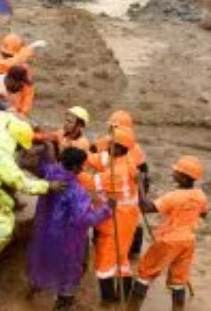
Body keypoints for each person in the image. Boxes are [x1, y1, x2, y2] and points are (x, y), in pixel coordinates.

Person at [0, 118, 63, 271]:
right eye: (21, 146)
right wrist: (48, 186)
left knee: (7, 202)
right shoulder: (4, 160)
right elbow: (23, 184)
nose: (21, 150)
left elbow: (5, 115)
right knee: (5, 224)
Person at [27, 147, 112, 310]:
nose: (82, 168)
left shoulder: (50, 173)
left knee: (41, 260)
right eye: (81, 166)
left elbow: (41, 163)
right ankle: (63, 303)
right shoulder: (77, 192)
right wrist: (106, 209)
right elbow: (85, 219)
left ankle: (34, 289)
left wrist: (47, 148)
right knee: (70, 271)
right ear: (75, 167)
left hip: (44, 232)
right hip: (67, 239)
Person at [133, 156, 209, 311]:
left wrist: (139, 183)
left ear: (184, 176)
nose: (173, 172)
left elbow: (146, 207)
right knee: (178, 281)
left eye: (176, 171)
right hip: (188, 241)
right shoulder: (201, 196)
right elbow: (203, 214)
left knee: (144, 274)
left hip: (168, 241)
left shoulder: (173, 196)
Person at [85, 125, 143, 302]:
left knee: (106, 262)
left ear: (118, 148)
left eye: (110, 144)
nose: (107, 146)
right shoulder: (123, 159)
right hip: (125, 218)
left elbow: (91, 182)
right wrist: (80, 153)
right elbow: (98, 159)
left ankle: (110, 300)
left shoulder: (118, 172)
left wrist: (73, 171)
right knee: (120, 257)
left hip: (119, 220)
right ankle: (126, 296)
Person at [0, 33, 43, 115]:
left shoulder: (23, 69)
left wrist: (23, 113)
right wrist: (26, 51)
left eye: (9, 55)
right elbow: (7, 65)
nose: (7, 56)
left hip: (13, 111)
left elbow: (28, 93)